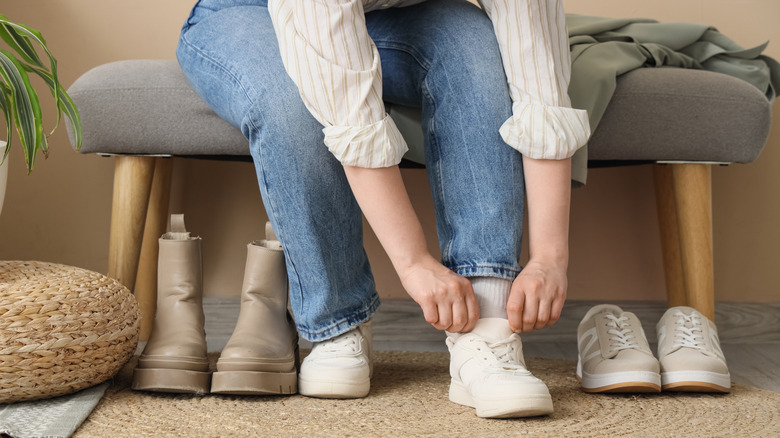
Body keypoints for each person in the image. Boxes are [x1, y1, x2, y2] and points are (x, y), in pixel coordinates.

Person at [174, 0, 590, 418]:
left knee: (475, 41)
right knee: (291, 102)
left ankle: (489, 324)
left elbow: (540, 85)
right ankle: (338, 323)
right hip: (246, 12)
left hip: (392, 14)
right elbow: (350, 115)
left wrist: (551, 258)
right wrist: (414, 263)